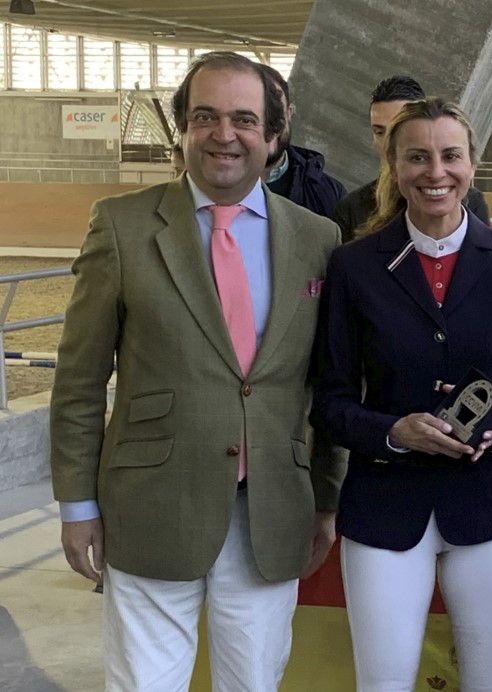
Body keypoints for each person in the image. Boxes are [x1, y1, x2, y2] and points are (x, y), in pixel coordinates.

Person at [49, 51, 346, 691]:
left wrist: (327, 498)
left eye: (244, 119)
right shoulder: (122, 226)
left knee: (254, 682)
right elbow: (78, 382)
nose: (224, 134)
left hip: (271, 511)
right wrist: (76, 505)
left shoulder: (319, 239)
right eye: (205, 117)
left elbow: (329, 385)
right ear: (182, 129)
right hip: (151, 507)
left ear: (274, 135)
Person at [312, 97, 492, 691]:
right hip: (385, 504)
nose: (436, 172)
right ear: (393, 166)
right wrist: (393, 432)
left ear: (472, 163)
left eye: (450, 156)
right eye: (417, 157)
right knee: (383, 682)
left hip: (485, 500)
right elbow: (330, 400)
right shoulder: (353, 267)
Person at [332, 75, 491, 241]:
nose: (388, 142)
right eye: (379, 132)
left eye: (398, 129)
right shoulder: (351, 208)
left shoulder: (470, 201)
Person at [259, 63, 347, 221]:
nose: (269, 125)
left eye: (276, 112)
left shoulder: (328, 194)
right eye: (253, 116)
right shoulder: (213, 184)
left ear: (289, 113)